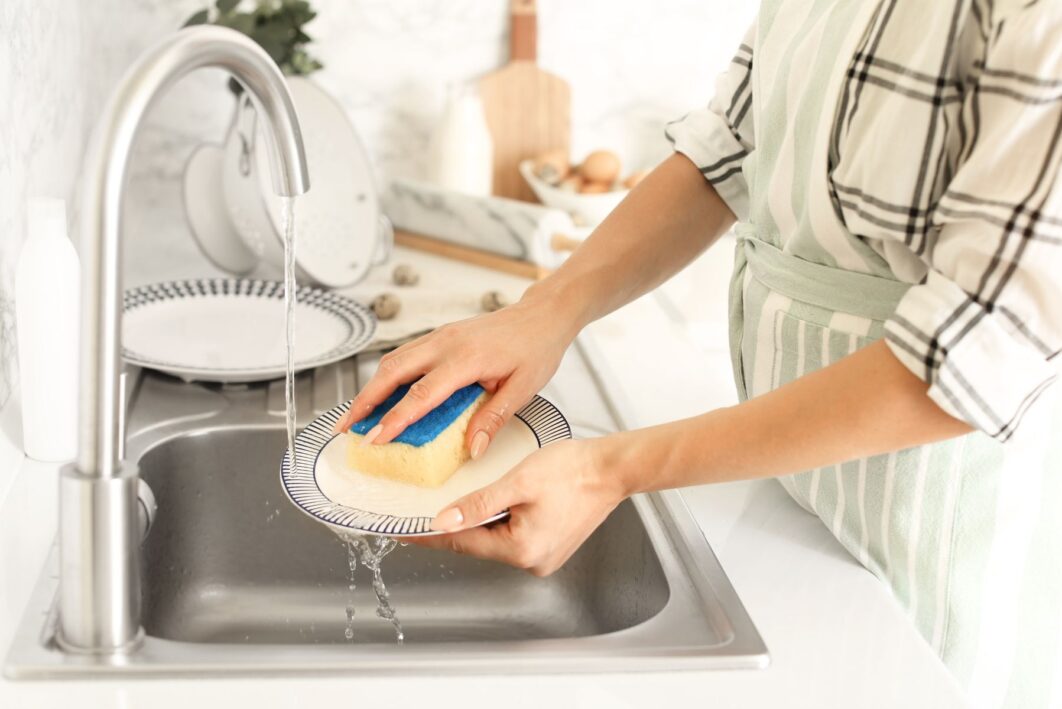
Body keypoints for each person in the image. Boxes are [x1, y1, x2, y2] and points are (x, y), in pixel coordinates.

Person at [336, 1, 1062, 705]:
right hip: (789, 497)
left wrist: (606, 469)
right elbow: (726, 153)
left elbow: (967, 360)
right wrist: (544, 313)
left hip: (938, 556)